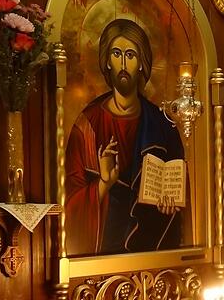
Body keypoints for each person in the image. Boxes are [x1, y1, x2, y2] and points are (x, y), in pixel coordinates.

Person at [64, 19, 184, 255]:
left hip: (151, 246)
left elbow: (178, 180)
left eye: (130, 55)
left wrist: (172, 202)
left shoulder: (162, 123)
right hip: (104, 246)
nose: (123, 63)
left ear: (141, 63)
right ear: (107, 61)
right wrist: (104, 183)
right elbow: (70, 201)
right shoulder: (88, 125)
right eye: (116, 54)